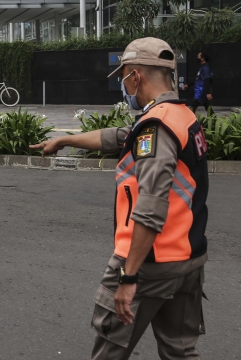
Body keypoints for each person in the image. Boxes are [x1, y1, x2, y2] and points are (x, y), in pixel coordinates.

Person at [31, 37, 209, 360]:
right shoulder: (181, 118)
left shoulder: (156, 128)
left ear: (136, 76)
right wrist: (66, 139)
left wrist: (128, 276)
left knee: (109, 350)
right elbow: (119, 137)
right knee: (180, 352)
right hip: (188, 260)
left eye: (124, 76)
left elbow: (151, 208)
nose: (124, 85)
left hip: (149, 262)